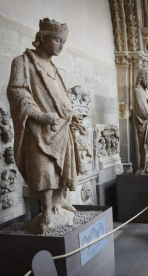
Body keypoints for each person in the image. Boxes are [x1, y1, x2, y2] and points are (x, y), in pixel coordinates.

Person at [7, 18, 82, 232]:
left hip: (60, 127)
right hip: (39, 128)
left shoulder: (54, 68)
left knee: (62, 167)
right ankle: (47, 210)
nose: (61, 45)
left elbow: (61, 99)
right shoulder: (23, 62)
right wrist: (40, 115)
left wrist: (72, 114)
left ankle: (60, 200)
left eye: (63, 41)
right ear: (42, 38)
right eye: (58, 40)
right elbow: (17, 92)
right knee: (44, 169)